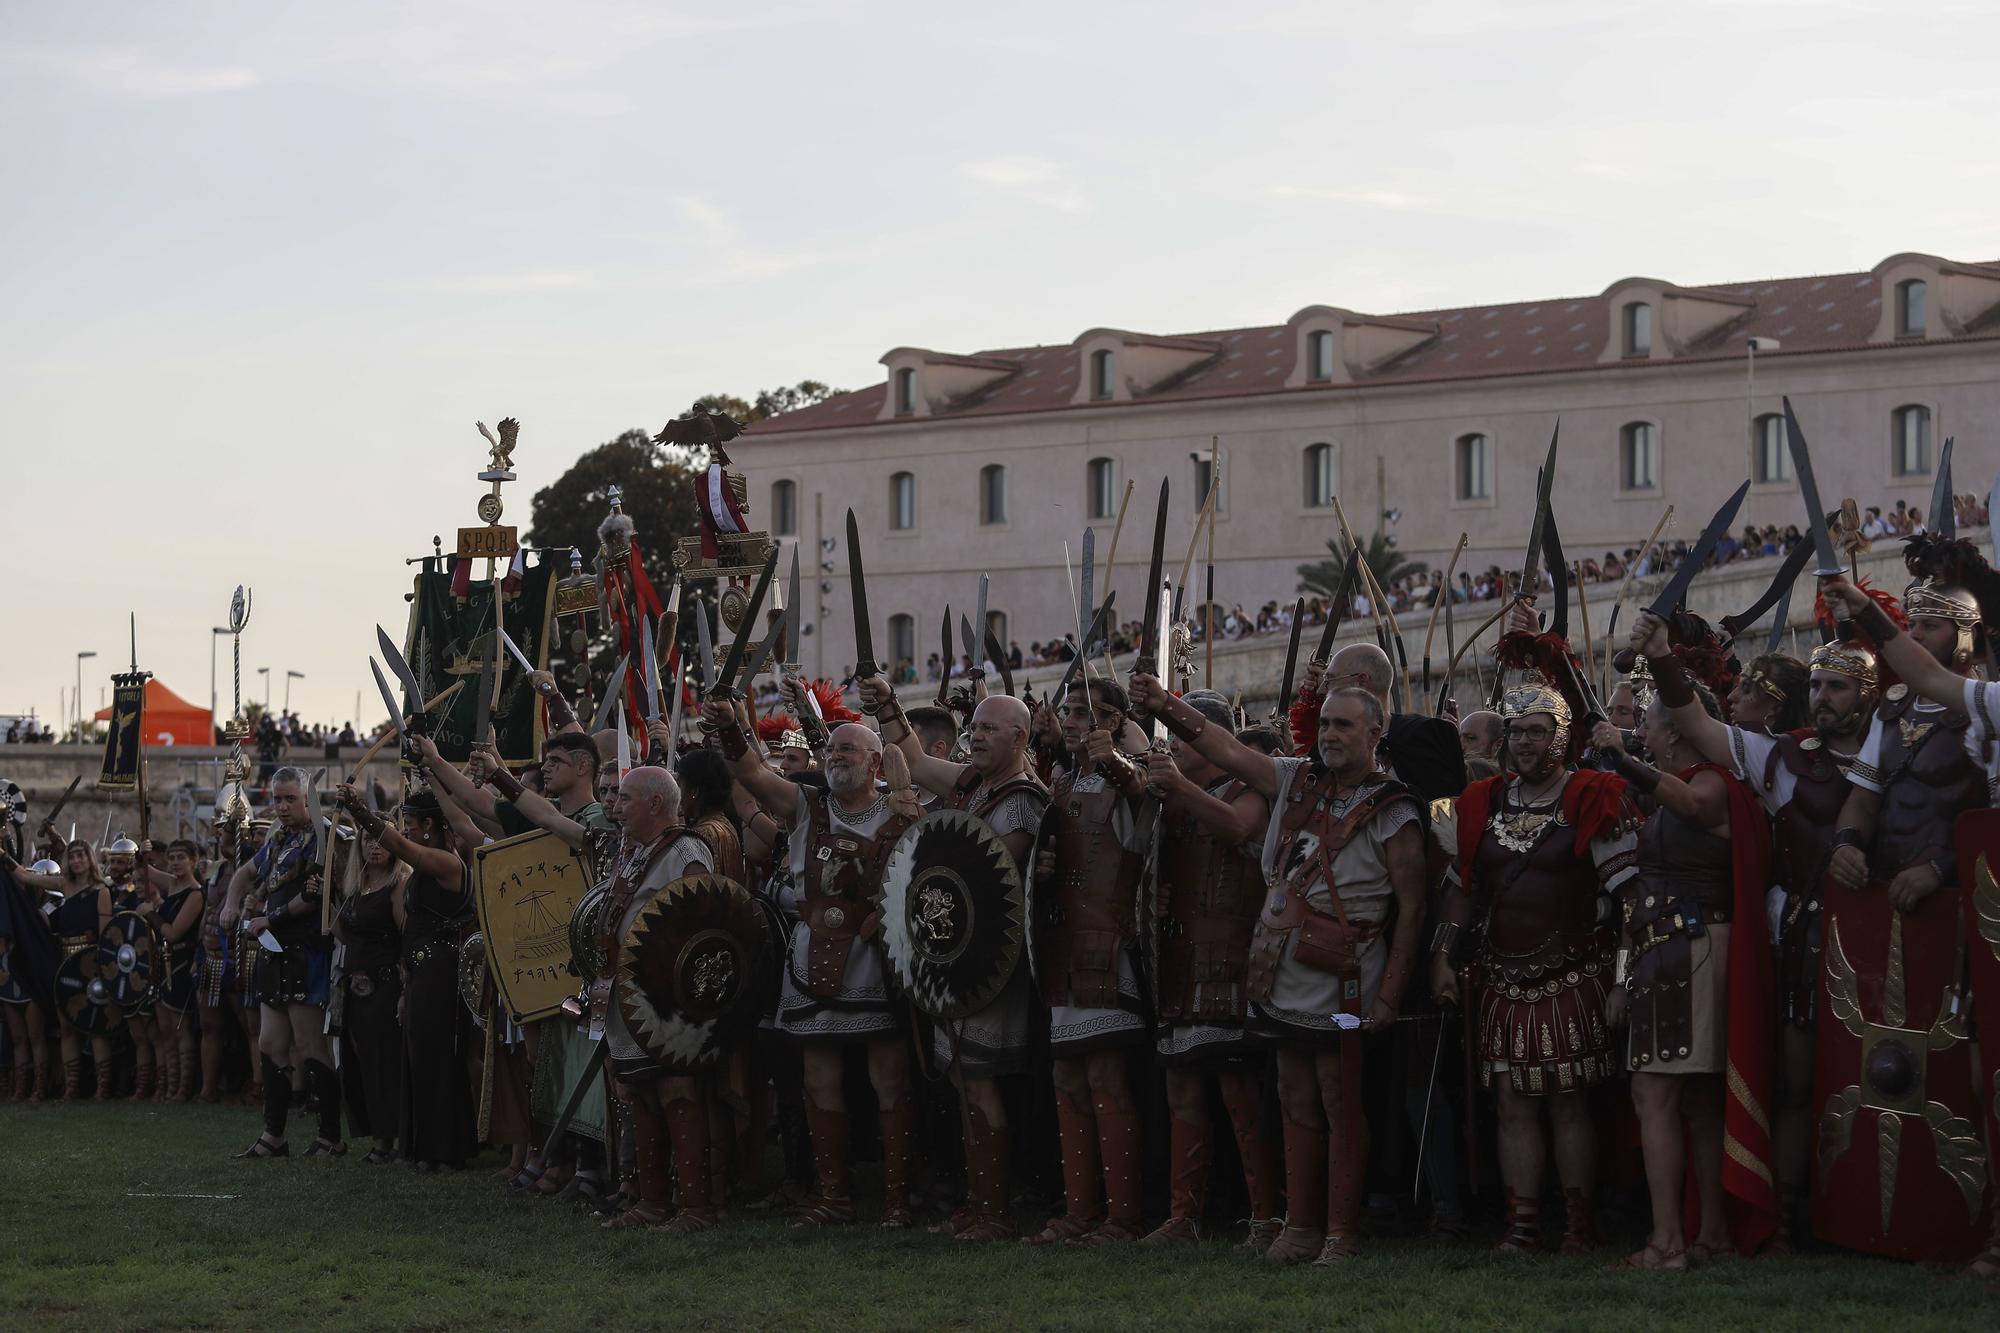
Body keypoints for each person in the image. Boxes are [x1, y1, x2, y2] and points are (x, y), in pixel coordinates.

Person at [1132, 673, 1427, 1267]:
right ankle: (1298, 1227)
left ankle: (1340, 1233)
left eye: (1344, 725)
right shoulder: (1297, 780)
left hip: (1347, 980)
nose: (1331, 736)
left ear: (1376, 731)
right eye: (1325, 725)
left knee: (1339, 1102)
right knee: (1293, 1095)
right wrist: (1167, 706)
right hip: (1283, 973)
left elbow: (1413, 910)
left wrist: (1391, 994)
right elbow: (1228, 749)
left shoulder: (1394, 810)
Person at [1630, 604, 1879, 1250]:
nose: (1823, 697)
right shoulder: (1781, 758)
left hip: (1881, 932)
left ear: (1868, 695)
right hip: (1801, 933)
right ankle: (1792, 1221)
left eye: (1838, 685)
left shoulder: (1899, 752)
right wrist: (1661, 656)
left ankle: (1878, 1217)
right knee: (1796, 1081)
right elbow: (1698, 725)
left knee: (1880, 1073)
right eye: (1817, 685)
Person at [1432, 678, 1637, 1253]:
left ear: (1561, 736)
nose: (1524, 742)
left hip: (1572, 974)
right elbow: (1460, 892)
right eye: (1516, 731)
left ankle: (1577, 1225)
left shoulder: (1594, 796)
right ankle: (1521, 1227)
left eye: (1536, 732)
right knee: (1510, 1104)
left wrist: (1623, 980)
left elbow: (1628, 901)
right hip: (1503, 977)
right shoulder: (1481, 803)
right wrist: (1441, 958)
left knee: (1569, 1102)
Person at [707, 701, 920, 1228]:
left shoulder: (904, 814)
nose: (835, 755)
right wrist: (732, 729)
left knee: (889, 1079)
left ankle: (896, 1199)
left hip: (875, 961)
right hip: (812, 957)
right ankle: (834, 1196)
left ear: (875, 762)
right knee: (818, 1078)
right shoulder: (807, 806)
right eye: (832, 748)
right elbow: (753, 773)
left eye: (848, 748)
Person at [1590, 662, 1772, 1269]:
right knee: (1692, 1100)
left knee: (1657, 1094)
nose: (1641, 733)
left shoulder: (1718, 782)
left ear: (1674, 733)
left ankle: (1669, 1240)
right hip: (1666, 952)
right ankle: (1707, 1235)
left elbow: (1691, 803)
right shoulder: (1676, 783)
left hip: (1692, 949)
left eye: (1647, 725)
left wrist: (1623, 758)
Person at [861, 677, 1047, 1243]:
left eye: (990, 729)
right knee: (964, 1083)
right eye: (976, 727)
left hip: (988, 965)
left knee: (983, 1083)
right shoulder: (973, 784)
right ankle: (976, 1202)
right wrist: (887, 705)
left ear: (1019, 738)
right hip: (950, 958)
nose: (977, 736)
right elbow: (915, 763)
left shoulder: (1022, 800)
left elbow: (988, 877)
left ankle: (994, 1210)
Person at [1136, 689, 1280, 1248]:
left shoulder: (1253, 788)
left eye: (1185, 736)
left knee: (1239, 1094)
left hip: (1233, 957)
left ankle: (1266, 1216)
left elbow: (1238, 829)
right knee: (1182, 1091)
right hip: (1180, 955)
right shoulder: (1169, 797)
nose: (1174, 747)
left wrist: (1180, 789)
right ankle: (1182, 1216)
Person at [1022, 678, 1152, 1246]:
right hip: (1064, 942)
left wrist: (1120, 758)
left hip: (1107, 943)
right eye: (1069, 712)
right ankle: (1081, 1210)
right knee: (1067, 1077)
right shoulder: (1062, 782)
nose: (1072, 721)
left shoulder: (1126, 779)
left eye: (1086, 713)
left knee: (1104, 1077)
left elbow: (1146, 806)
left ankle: (1122, 1217)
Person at [595, 765, 720, 1232]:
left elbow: (700, 920)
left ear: (654, 804)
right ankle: (650, 1203)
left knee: (675, 1090)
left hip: (669, 994)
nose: (616, 806)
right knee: (642, 1092)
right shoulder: (637, 854)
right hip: (631, 991)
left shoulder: (686, 850)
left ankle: (694, 1207)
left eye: (626, 799)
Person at [337, 784, 474, 1171]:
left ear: (429, 824)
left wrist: (361, 812)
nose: (407, 830)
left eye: (411, 824)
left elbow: (404, 850)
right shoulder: (426, 867)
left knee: (440, 1060)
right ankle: (424, 1147)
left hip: (442, 972)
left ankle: (448, 1149)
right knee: (420, 1060)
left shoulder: (447, 864)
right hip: (419, 971)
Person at [221, 768, 342, 1156]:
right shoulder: (279, 839)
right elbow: (245, 871)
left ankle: (330, 1137)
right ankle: (274, 1136)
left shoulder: (324, 837)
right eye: (278, 799)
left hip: (305, 950)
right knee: (271, 1042)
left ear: (307, 799)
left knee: (309, 1045)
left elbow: (314, 897)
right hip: (274, 951)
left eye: (291, 799)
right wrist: (230, 902)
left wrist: (268, 919)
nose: (283, 806)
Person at [7, 839, 114, 1098]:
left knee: (94, 1026)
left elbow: (107, 935)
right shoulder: (65, 886)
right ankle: (71, 1088)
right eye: (73, 857)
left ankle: (102, 1088)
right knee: (66, 1026)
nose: (76, 861)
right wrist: (2, 854)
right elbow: (24, 875)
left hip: (90, 964)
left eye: (81, 856)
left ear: (89, 860)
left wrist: (100, 967)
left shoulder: (101, 892)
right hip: (64, 963)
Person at [334, 823, 405, 1164]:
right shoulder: (354, 887)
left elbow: (406, 937)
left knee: (386, 1063)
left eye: (381, 839)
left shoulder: (397, 885)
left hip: (386, 985)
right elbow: (345, 933)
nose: (374, 846)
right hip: (355, 987)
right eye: (367, 839)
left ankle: (394, 1140)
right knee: (361, 1063)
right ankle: (379, 1139)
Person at [195, 818, 260, 1104]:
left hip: (237, 955)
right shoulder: (214, 870)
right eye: (219, 832)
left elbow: (234, 848)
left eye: (227, 833)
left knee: (251, 1026)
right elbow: (207, 911)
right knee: (209, 1026)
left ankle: (259, 1086)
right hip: (210, 954)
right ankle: (207, 1089)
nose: (222, 839)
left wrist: (236, 822)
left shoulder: (249, 866)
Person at [143, 839, 207, 1102]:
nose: (176, 862)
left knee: (180, 1029)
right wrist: (143, 851)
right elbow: (144, 871)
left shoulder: (194, 893)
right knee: (165, 1030)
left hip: (180, 964)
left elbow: (173, 932)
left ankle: (184, 1087)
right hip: (163, 964)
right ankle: (169, 1086)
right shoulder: (172, 884)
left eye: (181, 857)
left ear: (193, 861)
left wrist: (151, 915)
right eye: (172, 858)